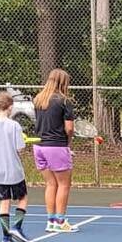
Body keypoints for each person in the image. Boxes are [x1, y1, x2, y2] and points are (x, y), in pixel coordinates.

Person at [0, 90, 33, 242]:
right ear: (10, 107)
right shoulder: (15, 125)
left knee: (5, 201)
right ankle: (16, 227)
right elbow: (20, 148)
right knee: (23, 198)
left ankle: (6, 237)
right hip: (14, 170)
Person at [31, 68, 77, 233]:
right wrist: (68, 141)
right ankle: (60, 221)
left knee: (51, 184)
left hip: (39, 147)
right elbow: (69, 128)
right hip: (56, 146)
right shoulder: (64, 101)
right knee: (64, 184)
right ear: (64, 82)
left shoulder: (38, 99)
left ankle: (51, 221)